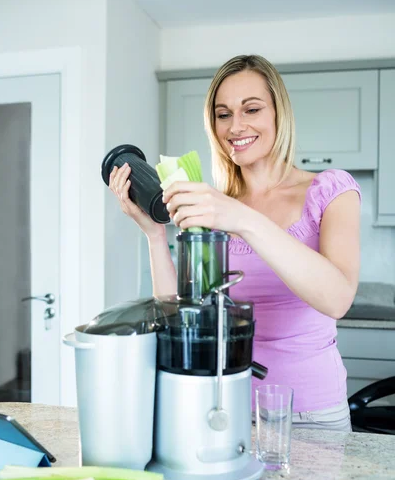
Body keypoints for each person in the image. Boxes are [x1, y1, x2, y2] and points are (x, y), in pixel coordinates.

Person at [109, 54, 361, 432]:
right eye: (223, 114)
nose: (235, 125)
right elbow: (181, 317)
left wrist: (241, 219)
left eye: (252, 109)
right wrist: (155, 234)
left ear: (279, 114)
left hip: (311, 414)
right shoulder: (217, 208)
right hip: (226, 408)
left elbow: (337, 298)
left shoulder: (331, 191)